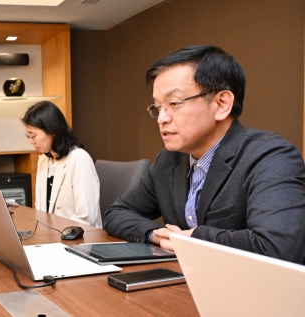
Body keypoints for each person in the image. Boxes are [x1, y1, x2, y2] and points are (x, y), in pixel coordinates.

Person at [103, 45, 305, 264]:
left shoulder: (270, 157)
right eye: (158, 107)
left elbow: (278, 248)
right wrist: (157, 235)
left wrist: (194, 239)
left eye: (174, 103)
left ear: (221, 104)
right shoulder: (169, 160)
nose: (162, 118)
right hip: (188, 283)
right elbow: (116, 212)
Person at [22, 101, 101, 227]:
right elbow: (42, 212)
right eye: (28, 136)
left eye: (34, 135)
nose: (31, 141)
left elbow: (86, 218)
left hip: (80, 239)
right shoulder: (43, 160)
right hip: (51, 237)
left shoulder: (79, 159)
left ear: (52, 131)